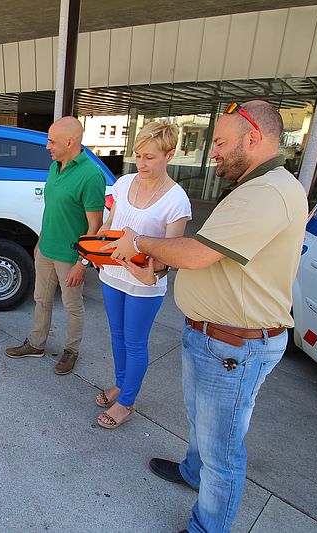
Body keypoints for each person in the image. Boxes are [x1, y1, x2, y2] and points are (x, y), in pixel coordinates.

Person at [101, 101, 308, 532]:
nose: (212, 152)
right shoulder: (257, 187)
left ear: (253, 139)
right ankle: (193, 472)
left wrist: (140, 242)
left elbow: (197, 253)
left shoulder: (267, 193)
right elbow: (212, 255)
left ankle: (207, 526)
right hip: (217, 337)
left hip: (235, 344)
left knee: (222, 450)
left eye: (220, 143)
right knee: (203, 423)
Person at [94, 121, 191, 429]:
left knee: (135, 342)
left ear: (170, 155)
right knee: (117, 336)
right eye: (138, 155)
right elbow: (110, 224)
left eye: (150, 157)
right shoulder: (123, 183)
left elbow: (172, 252)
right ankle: (121, 385)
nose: (141, 163)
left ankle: (126, 402)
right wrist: (95, 251)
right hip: (112, 273)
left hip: (144, 284)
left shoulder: (177, 200)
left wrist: (155, 271)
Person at [5, 117, 106, 375]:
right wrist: (40, 241)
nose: (47, 146)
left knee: (73, 307)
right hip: (46, 249)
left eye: (52, 141)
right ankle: (36, 344)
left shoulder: (91, 176)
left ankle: (71, 350)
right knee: (41, 299)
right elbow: (51, 209)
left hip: (70, 256)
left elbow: (95, 226)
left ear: (70, 142)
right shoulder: (54, 167)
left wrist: (83, 263)